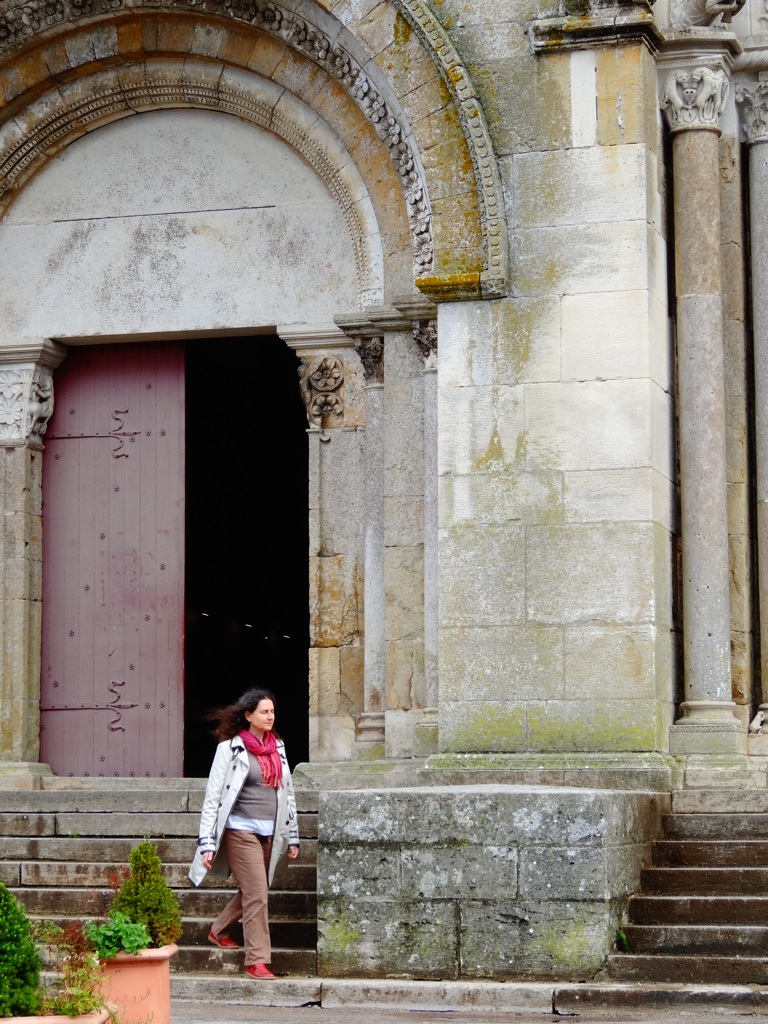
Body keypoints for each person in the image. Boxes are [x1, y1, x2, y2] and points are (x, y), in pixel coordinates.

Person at [189, 688, 300, 980]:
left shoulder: (278, 747)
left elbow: (287, 794)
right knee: (258, 894)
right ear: (248, 715)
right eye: (264, 711)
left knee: (253, 890)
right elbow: (213, 798)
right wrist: (207, 842)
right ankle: (257, 960)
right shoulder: (230, 749)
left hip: (270, 833)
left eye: (272, 711)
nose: (270, 716)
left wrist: (294, 835)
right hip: (240, 831)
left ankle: (218, 929)